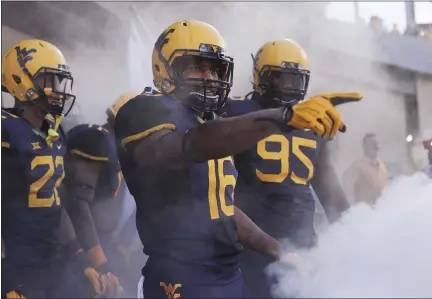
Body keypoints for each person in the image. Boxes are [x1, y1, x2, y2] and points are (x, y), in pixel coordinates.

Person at [114, 20, 349, 298]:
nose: (210, 77)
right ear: (163, 68)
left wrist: (279, 250)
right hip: (179, 281)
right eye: (195, 66)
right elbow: (185, 147)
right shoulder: (144, 110)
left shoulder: (207, 119)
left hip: (228, 277)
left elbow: (221, 209)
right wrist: (280, 118)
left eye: (215, 69)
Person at [221, 38, 361, 298]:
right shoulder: (235, 111)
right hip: (249, 247)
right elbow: (216, 186)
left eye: (294, 80)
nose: (287, 87)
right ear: (260, 76)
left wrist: (357, 234)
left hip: (302, 247)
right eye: (279, 78)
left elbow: (329, 189)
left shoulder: (312, 120)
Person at [1, 39, 119, 298]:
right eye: (47, 80)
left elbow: (57, 204)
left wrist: (79, 258)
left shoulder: (52, 132)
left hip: (52, 265)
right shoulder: (6, 130)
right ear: (20, 79)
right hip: (17, 268)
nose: (55, 90)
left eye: (58, 82)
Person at [62, 92, 140, 296]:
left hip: (101, 242)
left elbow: (150, 202)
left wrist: (121, 242)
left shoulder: (121, 153)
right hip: (75, 246)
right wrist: (101, 263)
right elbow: (78, 207)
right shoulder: (95, 142)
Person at [343, 133, 389, 205]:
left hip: (382, 210)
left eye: (377, 143)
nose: (376, 146)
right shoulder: (357, 167)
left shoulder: (383, 167)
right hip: (365, 212)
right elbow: (347, 188)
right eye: (372, 144)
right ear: (365, 147)